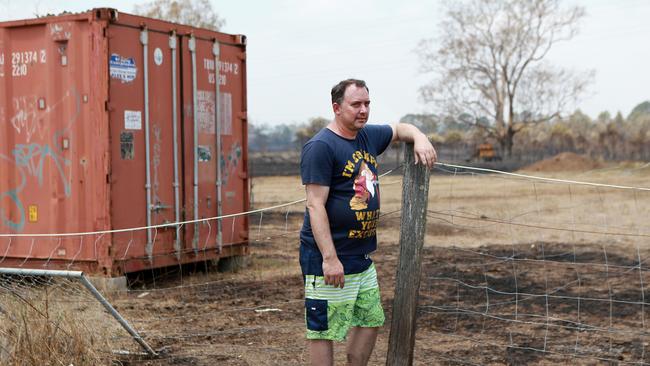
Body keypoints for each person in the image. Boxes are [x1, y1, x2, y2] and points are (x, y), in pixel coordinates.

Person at [299, 78, 437, 365]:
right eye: (356, 104)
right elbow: (315, 205)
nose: (363, 110)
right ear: (337, 108)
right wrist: (329, 258)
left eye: (367, 104)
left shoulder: (367, 136)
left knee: (371, 318)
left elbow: (400, 129)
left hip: (361, 257)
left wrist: (420, 137)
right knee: (324, 331)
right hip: (328, 256)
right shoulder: (321, 147)